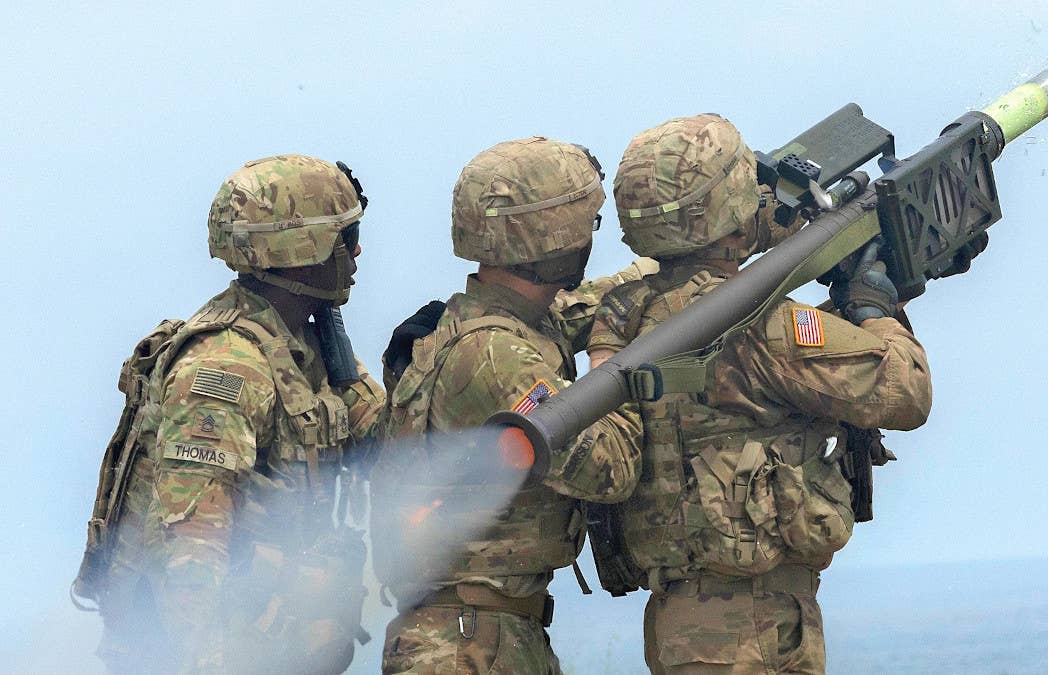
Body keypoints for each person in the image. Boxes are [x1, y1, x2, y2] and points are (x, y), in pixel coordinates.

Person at [586, 114, 934, 674]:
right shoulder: (758, 325)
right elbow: (905, 390)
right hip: (753, 625)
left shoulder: (626, 314)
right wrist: (875, 308)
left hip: (683, 617)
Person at [75, 154, 385, 674]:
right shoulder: (225, 366)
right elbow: (188, 548)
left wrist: (419, 368)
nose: (356, 252)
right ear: (301, 249)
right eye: (344, 236)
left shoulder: (307, 346)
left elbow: (387, 442)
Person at [369, 136, 653, 674]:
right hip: (470, 648)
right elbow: (609, 469)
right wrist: (613, 359)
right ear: (556, 233)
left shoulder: (498, 324)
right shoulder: (496, 356)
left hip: (483, 636)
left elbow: (596, 302)